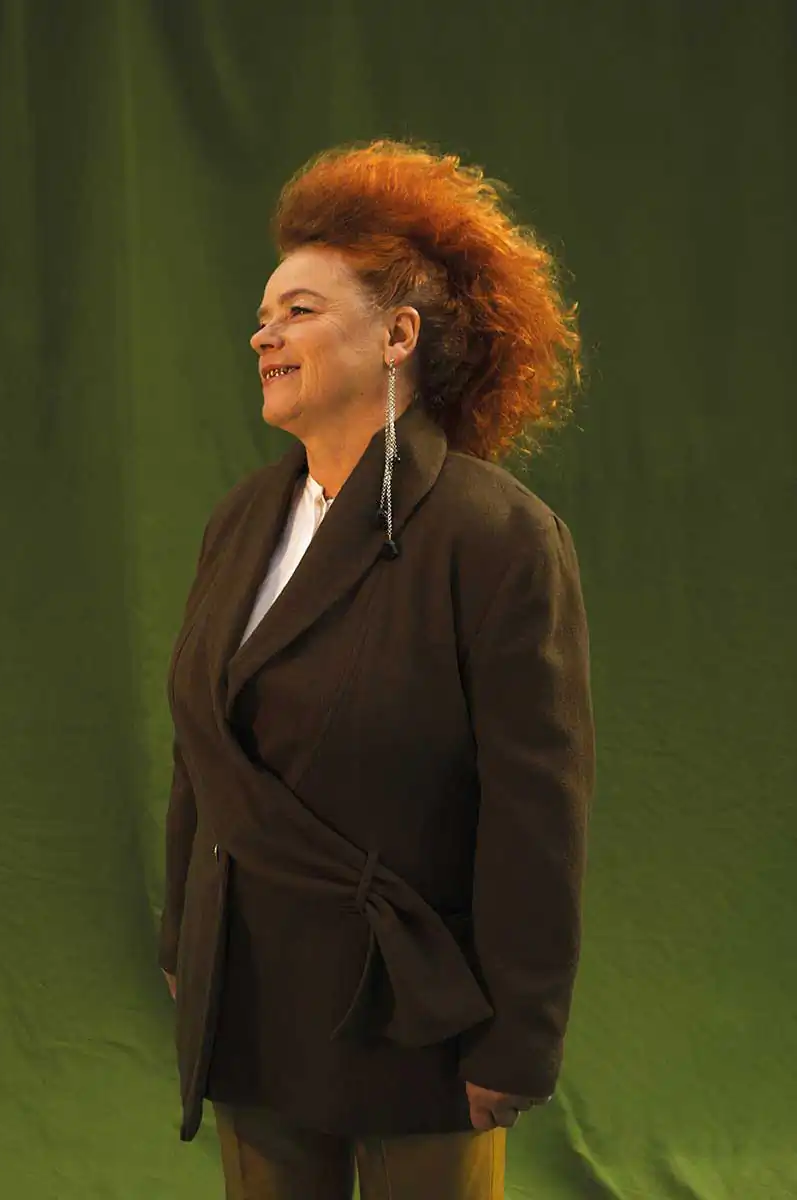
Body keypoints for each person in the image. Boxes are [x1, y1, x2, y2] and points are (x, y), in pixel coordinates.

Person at [159, 139, 595, 1200]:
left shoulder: (499, 538)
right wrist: (184, 940)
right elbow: (201, 747)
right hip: (250, 999)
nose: (263, 333)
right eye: (263, 314)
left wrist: (519, 1039)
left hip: (418, 1020)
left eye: (299, 310)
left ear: (398, 335)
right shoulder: (242, 518)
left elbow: (536, 813)